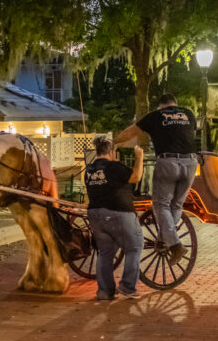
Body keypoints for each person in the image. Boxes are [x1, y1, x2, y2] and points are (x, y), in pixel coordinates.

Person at [114, 93, 197, 265]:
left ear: (160, 106)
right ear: (175, 103)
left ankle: (175, 245)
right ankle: (164, 239)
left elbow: (131, 132)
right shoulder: (188, 114)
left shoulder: (155, 116)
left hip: (168, 163)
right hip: (190, 163)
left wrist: (114, 142)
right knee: (176, 205)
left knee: (160, 205)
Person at [84, 136, 144, 300]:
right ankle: (127, 286)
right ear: (111, 151)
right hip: (118, 212)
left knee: (105, 252)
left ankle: (105, 291)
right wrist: (139, 158)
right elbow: (136, 177)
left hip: (95, 214)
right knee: (134, 247)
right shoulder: (114, 167)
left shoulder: (89, 170)